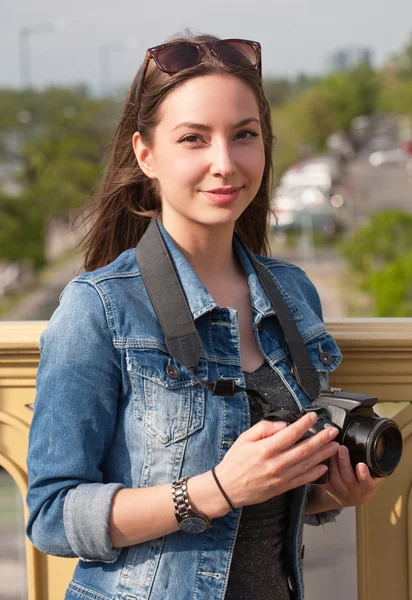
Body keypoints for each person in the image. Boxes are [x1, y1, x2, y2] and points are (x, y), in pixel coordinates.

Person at [26, 33, 382, 600]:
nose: (225, 163)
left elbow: (265, 501)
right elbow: (51, 514)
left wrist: (331, 492)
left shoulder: (293, 294)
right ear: (146, 154)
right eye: (194, 139)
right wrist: (213, 490)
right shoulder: (99, 307)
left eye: (244, 135)